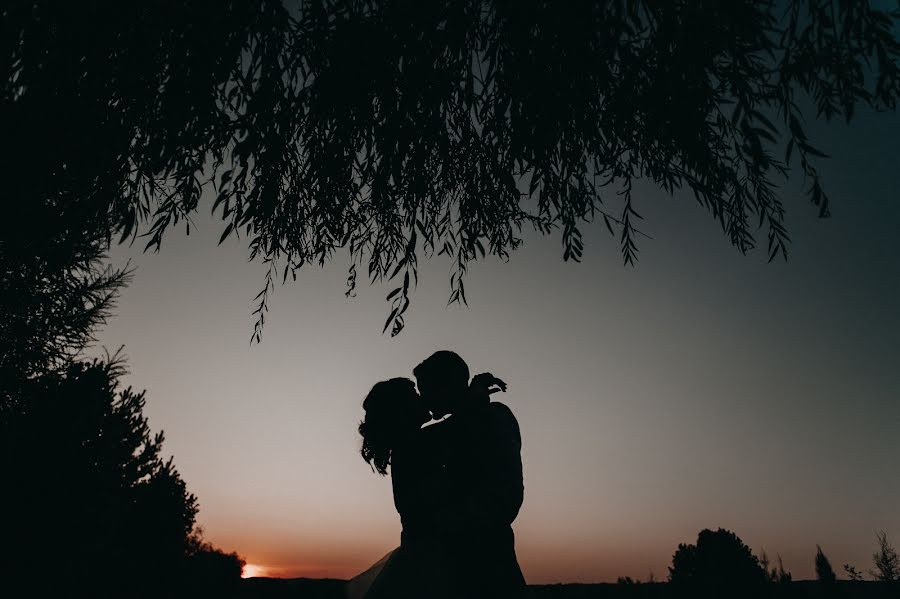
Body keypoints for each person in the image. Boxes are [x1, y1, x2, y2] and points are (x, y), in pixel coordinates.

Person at [413, 351, 526, 598]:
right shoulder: (466, 421)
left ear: (446, 385)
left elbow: (507, 493)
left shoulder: (494, 416)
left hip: (487, 558)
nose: (424, 400)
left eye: (426, 390)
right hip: (464, 557)